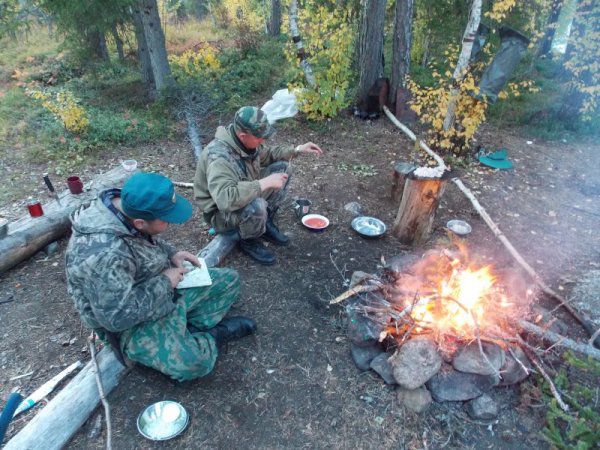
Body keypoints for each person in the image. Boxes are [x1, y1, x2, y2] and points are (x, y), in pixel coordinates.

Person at [65, 172, 256, 382]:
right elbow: (116, 319)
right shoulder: (103, 256)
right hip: (130, 323)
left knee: (229, 281)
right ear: (139, 222)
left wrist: (171, 253)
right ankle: (211, 336)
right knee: (193, 362)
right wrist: (165, 282)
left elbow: (141, 239)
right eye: (166, 219)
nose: (171, 223)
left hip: (156, 289)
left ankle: (178, 328)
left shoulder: (122, 207)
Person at [194, 106, 322, 264]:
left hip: (242, 191)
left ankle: (264, 222)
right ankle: (249, 239)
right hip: (221, 214)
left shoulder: (244, 142)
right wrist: (264, 183)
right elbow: (225, 199)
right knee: (257, 204)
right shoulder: (219, 158)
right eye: (260, 138)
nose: (263, 140)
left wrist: (297, 150)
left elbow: (266, 154)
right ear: (243, 135)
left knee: (283, 169)